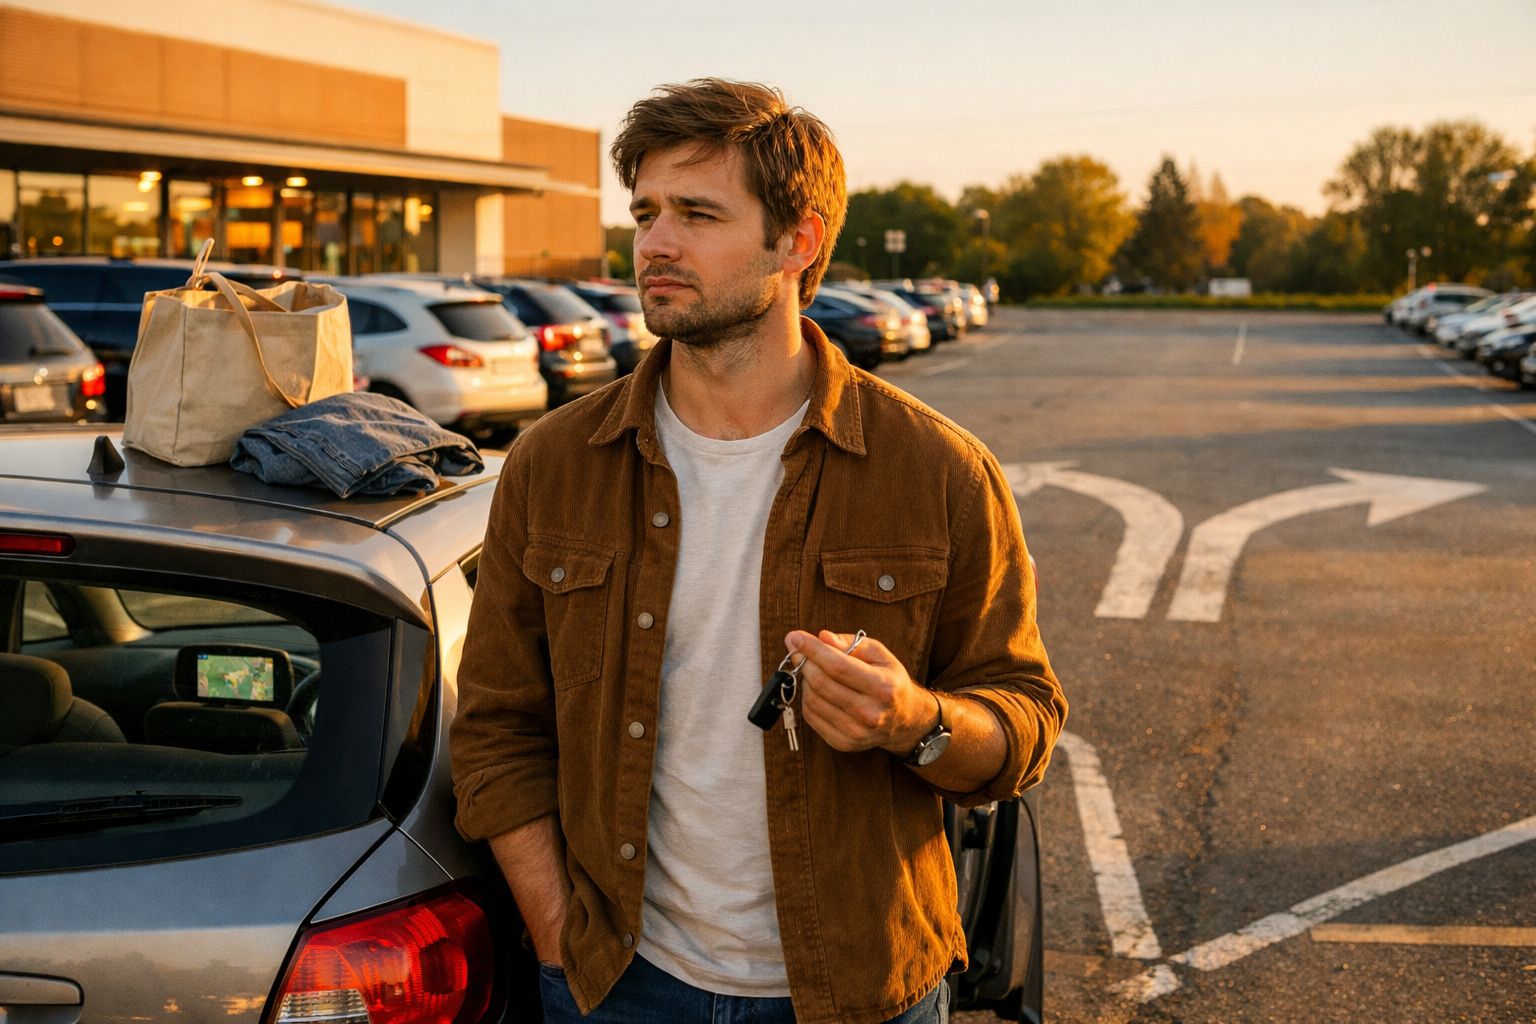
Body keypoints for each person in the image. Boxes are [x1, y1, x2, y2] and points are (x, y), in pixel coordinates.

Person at [450, 78, 1065, 1024]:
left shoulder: (937, 471)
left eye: (697, 213)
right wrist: (555, 935)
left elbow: (1020, 722)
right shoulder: (555, 464)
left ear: (798, 241)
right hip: (616, 983)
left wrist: (914, 721)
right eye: (647, 211)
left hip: (862, 986)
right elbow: (496, 727)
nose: (653, 242)